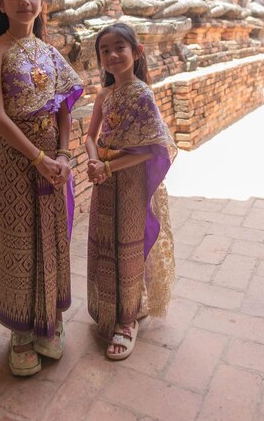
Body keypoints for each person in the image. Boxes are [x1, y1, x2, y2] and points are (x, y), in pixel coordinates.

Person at [0, 0, 83, 376]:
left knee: (54, 237)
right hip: (16, 158)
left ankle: (50, 325)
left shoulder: (50, 51)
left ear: (41, 2)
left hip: (52, 161)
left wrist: (61, 156)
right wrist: (38, 160)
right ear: (1, 2)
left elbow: (64, 108)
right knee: (20, 239)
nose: (25, 2)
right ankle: (21, 333)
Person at [85, 22, 177, 360]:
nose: (111, 55)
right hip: (104, 182)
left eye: (119, 47)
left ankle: (127, 319)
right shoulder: (104, 95)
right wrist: (94, 162)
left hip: (131, 182)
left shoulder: (141, 94)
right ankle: (108, 307)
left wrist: (107, 166)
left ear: (136, 52)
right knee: (104, 241)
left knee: (129, 245)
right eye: (104, 50)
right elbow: (90, 136)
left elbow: (152, 148)